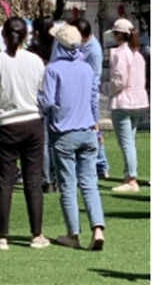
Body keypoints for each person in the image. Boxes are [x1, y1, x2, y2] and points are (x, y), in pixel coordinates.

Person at [0, 16, 49, 250]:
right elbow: (43, 91)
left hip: (5, 126)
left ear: (3, 36)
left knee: (4, 182)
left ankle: (0, 236)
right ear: (26, 36)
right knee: (33, 180)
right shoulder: (35, 60)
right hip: (33, 123)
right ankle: (37, 235)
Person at [39, 23, 105, 251]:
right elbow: (94, 99)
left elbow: (47, 102)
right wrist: (96, 126)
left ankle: (73, 234)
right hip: (88, 131)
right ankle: (97, 228)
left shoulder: (53, 70)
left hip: (64, 133)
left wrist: (38, 97)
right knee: (89, 184)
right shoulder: (87, 68)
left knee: (68, 186)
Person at [107, 18, 148, 193]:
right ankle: (129, 175)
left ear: (118, 35)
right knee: (130, 141)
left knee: (126, 142)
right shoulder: (137, 54)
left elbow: (119, 80)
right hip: (138, 100)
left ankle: (131, 178)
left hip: (123, 101)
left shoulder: (120, 54)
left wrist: (106, 89)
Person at [68, 18, 109, 179]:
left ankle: (101, 165)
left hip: (88, 93)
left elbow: (94, 77)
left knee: (93, 128)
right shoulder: (82, 46)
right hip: (81, 91)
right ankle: (99, 164)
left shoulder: (94, 51)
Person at [28, 16, 57, 193]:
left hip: (40, 95)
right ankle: (57, 177)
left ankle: (47, 180)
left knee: (44, 142)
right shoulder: (59, 49)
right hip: (58, 96)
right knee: (56, 140)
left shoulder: (32, 52)